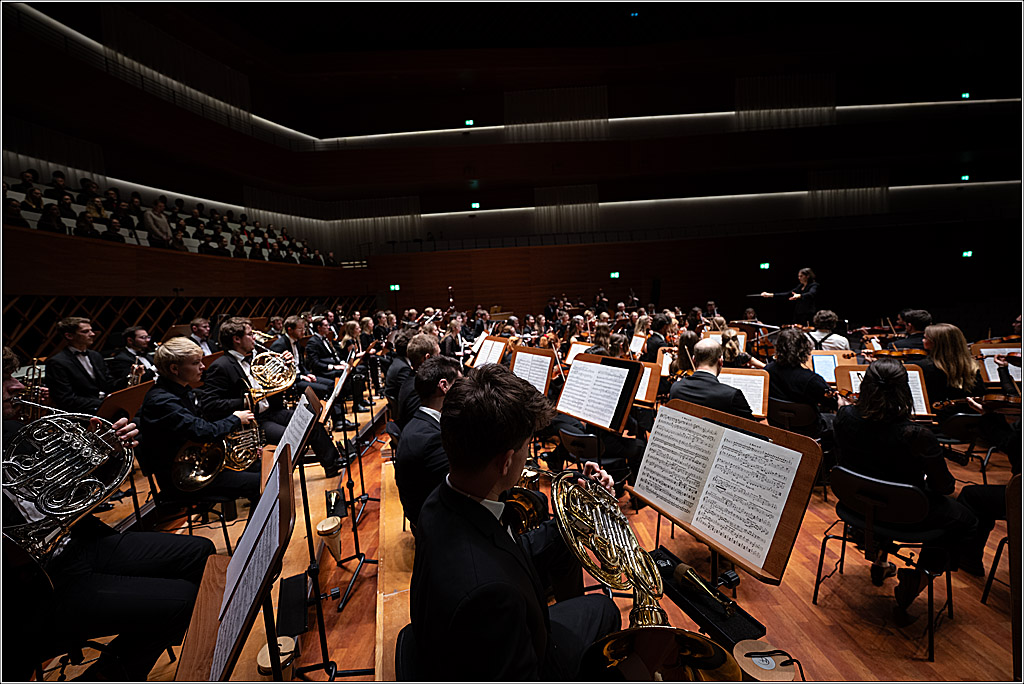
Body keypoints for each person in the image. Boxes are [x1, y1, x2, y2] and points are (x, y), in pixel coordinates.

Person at [3, 346, 216, 682]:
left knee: (198, 551)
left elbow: (72, 493)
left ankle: (142, 648)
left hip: (76, 545)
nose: (16, 385)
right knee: (180, 600)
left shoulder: (12, 434)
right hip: (34, 587)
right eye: (3, 380)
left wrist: (110, 452)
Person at [409, 363, 621, 679]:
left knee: (587, 596)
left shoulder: (442, 498)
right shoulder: (491, 597)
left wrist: (582, 509)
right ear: (507, 460)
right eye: (526, 447)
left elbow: (508, 548)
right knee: (605, 610)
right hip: (534, 658)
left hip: (490, 634)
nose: (528, 457)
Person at [833, 358, 977, 623]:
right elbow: (944, 487)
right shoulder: (916, 434)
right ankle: (921, 577)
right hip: (906, 515)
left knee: (881, 486)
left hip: (857, 505)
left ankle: (881, 561)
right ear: (904, 390)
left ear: (865, 387)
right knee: (966, 521)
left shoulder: (844, 417)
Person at [135, 337, 262, 503]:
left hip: (198, 463)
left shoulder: (181, 391)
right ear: (174, 368)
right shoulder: (162, 401)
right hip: (183, 478)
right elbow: (202, 432)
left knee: (262, 466)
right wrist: (236, 419)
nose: (203, 367)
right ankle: (262, 527)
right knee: (261, 481)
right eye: (196, 363)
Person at [394, 356, 461, 526]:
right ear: (444, 386)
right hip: (435, 526)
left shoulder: (420, 422)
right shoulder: (432, 439)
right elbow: (462, 489)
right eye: (459, 384)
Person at [765, 327, 837, 436]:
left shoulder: (767, 371)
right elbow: (833, 403)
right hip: (808, 429)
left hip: (777, 425)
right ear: (804, 349)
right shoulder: (811, 379)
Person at [669, 339, 754, 420]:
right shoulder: (732, 395)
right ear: (721, 361)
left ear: (693, 360)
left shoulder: (676, 388)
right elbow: (754, 430)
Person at [44, 316, 113, 413]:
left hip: (103, 405)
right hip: (81, 412)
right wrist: (102, 403)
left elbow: (108, 383)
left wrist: (130, 377)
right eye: (85, 332)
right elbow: (66, 399)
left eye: (91, 330)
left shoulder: (96, 356)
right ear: (69, 336)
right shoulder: (57, 362)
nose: (92, 334)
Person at [915, 323, 983, 412]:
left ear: (936, 343)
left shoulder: (922, 368)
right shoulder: (972, 366)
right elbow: (981, 395)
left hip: (937, 418)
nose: (923, 341)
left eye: (926, 338)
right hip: (969, 418)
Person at [395, 333, 440, 429]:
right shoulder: (417, 389)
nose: (439, 359)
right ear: (427, 358)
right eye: (437, 355)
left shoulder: (411, 379)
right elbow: (419, 426)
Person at [107, 325, 157, 390]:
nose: (147, 340)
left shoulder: (146, 354)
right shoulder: (121, 359)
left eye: (148, 337)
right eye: (143, 337)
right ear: (130, 340)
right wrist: (155, 368)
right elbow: (132, 382)